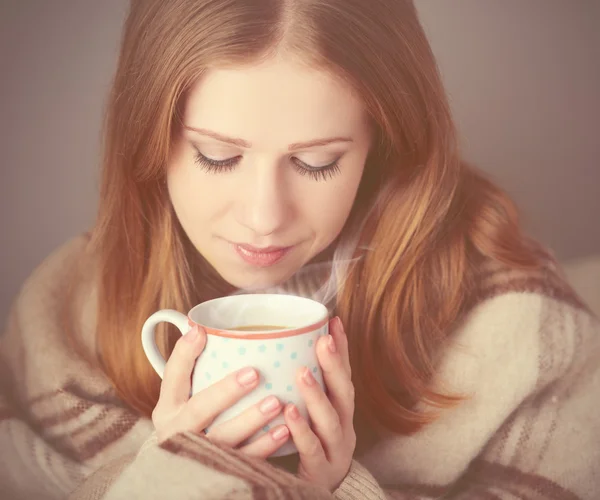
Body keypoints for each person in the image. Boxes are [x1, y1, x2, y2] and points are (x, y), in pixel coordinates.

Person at [1, 0, 598, 498]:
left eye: (317, 163)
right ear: (150, 139)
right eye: (218, 156)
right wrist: (171, 474)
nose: (264, 218)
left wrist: (336, 491)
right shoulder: (65, 313)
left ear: (382, 145)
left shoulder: (520, 333)